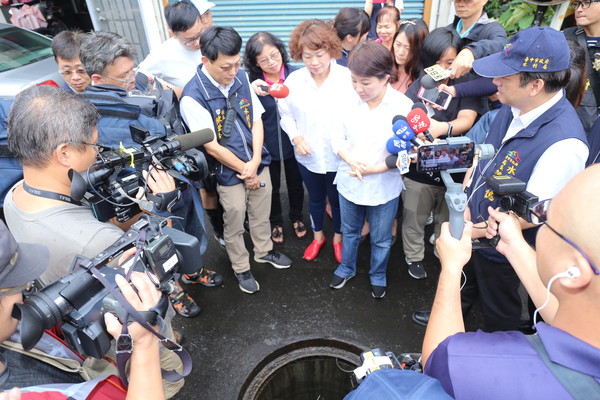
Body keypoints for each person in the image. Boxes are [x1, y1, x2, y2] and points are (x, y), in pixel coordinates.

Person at [2, 85, 184, 397]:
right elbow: (149, 288)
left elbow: (86, 223)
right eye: (93, 146)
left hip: (76, 328)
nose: (97, 154)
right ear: (64, 153)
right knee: (172, 376)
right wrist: (160, 210)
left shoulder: (15, 195)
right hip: (123, 337)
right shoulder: (100, 242)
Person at [422, 164, 600, 399]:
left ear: (573, 271)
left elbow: (437, 358)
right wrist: (515, 247)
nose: (540, 220)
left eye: (546, 216)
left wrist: (451, 268)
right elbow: (569, 313)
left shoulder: (498, 366)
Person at [79, 30, 220, 317]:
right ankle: (174, 288)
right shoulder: (90, 120)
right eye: (125, 74)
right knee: (161, 246)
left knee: (192, 231)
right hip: (145, 198)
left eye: (133, 69)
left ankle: (194, 270)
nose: (133, 76)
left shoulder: (139, 83)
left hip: (177, 178)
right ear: (97, 79)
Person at [461, 26, 589, 332]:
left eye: (504, 76)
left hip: (503, 246)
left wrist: (470, 232)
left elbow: (533, 213)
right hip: (473, 225)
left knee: (499, 307)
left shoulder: (564, 144)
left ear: (535, 85)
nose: (495, 82)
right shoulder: (514, 104)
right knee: (465, 282)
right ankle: (459, 317)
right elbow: (484, 156)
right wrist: (465, 199)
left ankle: (499, 351)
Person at [180, 26, 292, 295]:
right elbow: (211, 146)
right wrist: (245, 170)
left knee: (261, 212)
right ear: (206, 60)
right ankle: (241, 266)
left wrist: (254, 162)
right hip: (228, 172)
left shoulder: (241, 78)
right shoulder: (192, 96)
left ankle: (263, 251)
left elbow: (256, 120)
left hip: (255, 162)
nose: (232, 73)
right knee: (234, 218)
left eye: (236, 65)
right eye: (225, 67)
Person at [0, 220, 165, 399]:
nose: (25, 293)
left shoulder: (10, 329)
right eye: (16, 286)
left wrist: (110, 283)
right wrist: (145, 344)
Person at [329, 42, 413, 299]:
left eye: (366, 83)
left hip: (384, 186)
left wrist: (377, 168)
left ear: (386, 78)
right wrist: (350, 160)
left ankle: (378, 274)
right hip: (350, 180)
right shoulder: (345, 101)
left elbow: (408, 156)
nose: (358, 89)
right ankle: (346, 267)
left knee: (381, 238)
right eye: (354, 81)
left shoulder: (403, 107)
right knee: (350, 231)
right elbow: (335, 139)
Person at [401, 27, 480, 280]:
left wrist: (442, 128)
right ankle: (413, 257)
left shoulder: (466, 84)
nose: (441, 68)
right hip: (419, 170)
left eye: (448, 62)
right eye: (436, 61)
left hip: (453, 169)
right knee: (413, 216)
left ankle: (441, 251)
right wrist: (420, 132)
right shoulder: (420, 83)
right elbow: (407, 117)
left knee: (447, 218)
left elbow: (467, 119)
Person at [278, 19, 358, 264]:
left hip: (339, 155)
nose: (314, 63)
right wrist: (296, 136)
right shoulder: (294, 81)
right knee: (314, 198)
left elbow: (357, 115)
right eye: (307, 56)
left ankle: (338, 239)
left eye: (319, 55)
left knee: (336, 200)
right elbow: (286, 115)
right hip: (308, 154)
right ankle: (318, 237)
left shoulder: (347, 78)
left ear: (331, 50)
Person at [245, 32, 306, 244]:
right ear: (254, 62)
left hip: (294, 143)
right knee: (272, 188)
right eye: (264, 60)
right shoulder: (252, 84)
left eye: (274, 55)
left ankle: (297, 217)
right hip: (267, 146)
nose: (271, 62)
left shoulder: (297, 76)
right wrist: (250, 91)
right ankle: (276, 221)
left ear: (281, 51)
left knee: (296, 184)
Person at [138, 0, 215, 99]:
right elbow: (139, 76)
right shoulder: (163, 54)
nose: (198, 43)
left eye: (200, 34)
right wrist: (168, 89)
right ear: (173, 34)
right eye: (190, 40)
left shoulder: (213, 38)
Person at [564, 0, 600, 132]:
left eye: (586, 3)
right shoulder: (565, 38)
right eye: (577, 4)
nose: (579, 9)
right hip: (571, 124)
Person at [447, 0, 507, 80]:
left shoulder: (491, 29)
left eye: (468, 0)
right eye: (457, 0)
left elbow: (502, 44)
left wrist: (472, 51)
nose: (461, 4)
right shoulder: (448, 30)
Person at [391, 19, 429, 93]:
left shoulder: (424, 80)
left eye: (408, 48)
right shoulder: (383, 67)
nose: (401, 52)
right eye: (398, 44)